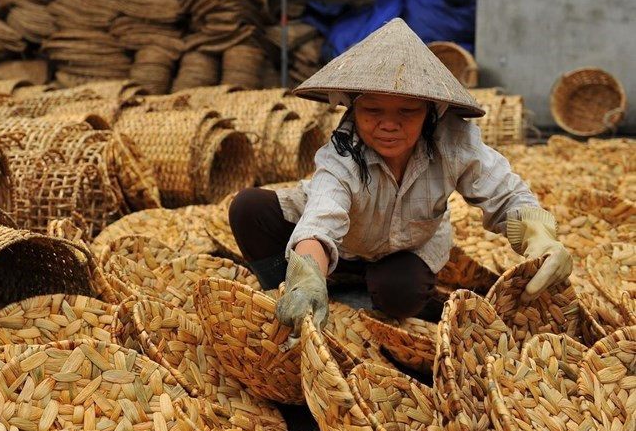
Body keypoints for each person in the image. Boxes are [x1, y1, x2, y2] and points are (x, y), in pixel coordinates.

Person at [228, 18, 572, 332]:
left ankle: (359, 290)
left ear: (431, 112)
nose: (389, 125)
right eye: (372, 110)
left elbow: (505, 193)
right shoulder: (344, 151)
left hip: (404, 249)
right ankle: (295, 294)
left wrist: (540, 238)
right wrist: (305, 276)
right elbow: (321, 217)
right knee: (249, 208)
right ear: (354, 109)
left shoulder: (454, 142)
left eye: (407, 111)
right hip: (341, 245)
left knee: (400, 294)